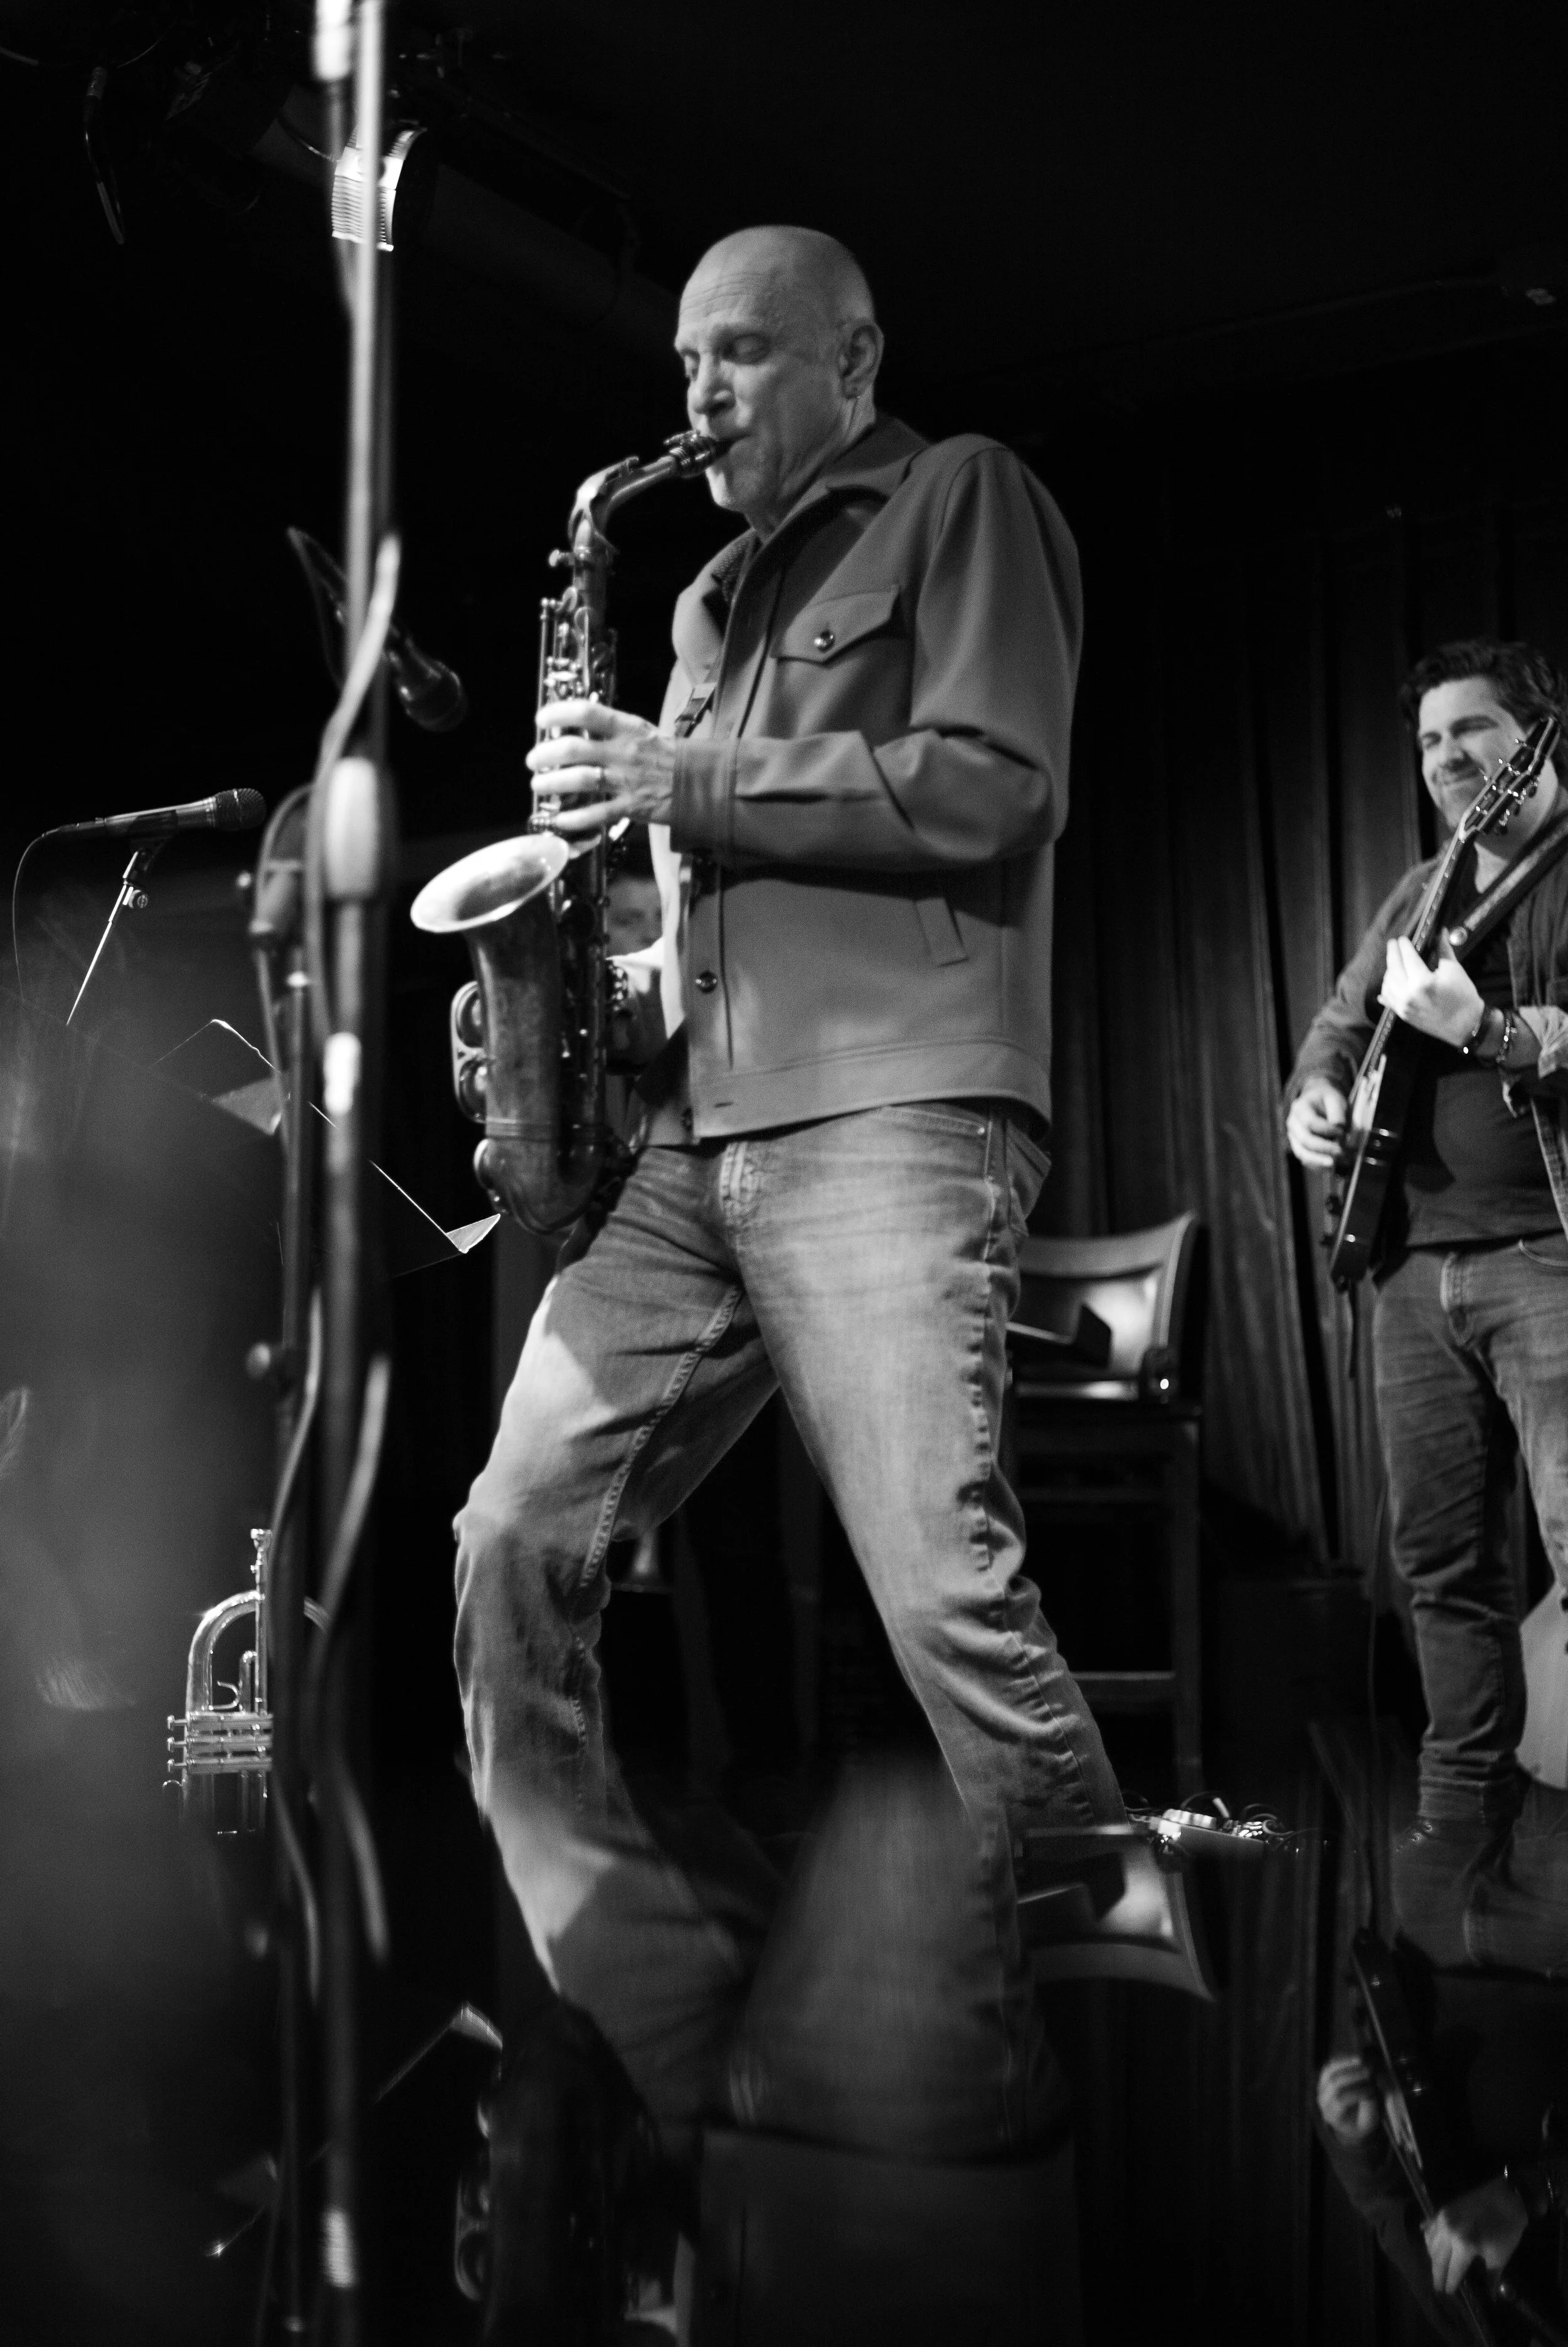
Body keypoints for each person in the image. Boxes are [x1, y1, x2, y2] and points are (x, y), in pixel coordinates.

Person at [451, 221, 1123, 2192]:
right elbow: (702, 879)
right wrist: (596, 957)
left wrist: (693, 772)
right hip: (691, 1133)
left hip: (892, 1106)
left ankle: (1102, 2040)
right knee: (507, 1538)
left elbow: (996, 783)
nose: (702, 395)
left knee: (942, 1582)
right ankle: (677, 2068)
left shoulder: (959, 494)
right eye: (686, 361)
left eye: (744, 355)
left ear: (850, 358)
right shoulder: (708, 597)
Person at [1285, 640, 1568, 1970]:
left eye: (1473, 733)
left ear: (1531, 735)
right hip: (1409, 1267)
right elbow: (1339, 1022)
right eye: (1429, 744)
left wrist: (1496, 1031)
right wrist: (1315, 1093)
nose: (1448, 759)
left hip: (1544, 1256)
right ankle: (1460, 1850)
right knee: (1439, 1567)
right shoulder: (1421, 887)